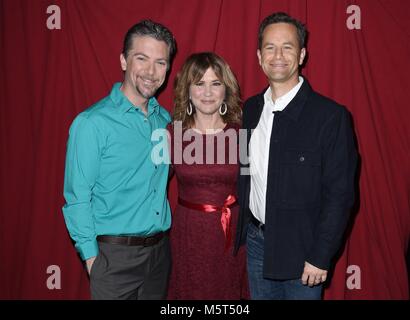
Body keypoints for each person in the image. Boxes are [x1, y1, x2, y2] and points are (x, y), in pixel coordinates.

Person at [234, 12, 358, 300]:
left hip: (304, 254)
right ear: (258, 55)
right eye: (269, 47)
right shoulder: (250, 110)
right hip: (256, 246)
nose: (278, 55)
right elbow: (245, 174)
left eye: (287, 47)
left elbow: (340, 195)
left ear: (301, 54)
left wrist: (320, 255)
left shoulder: (331, 117)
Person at [62, 20, 176, 300]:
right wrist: (93, 261)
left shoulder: (166, 121)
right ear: (124, 61)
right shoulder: (91, 123)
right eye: (142, 59)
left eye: (160, 62)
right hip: (114, 258)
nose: (151, 72)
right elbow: (77, 198)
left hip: (160, 255)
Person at [167, 52, 248, 299]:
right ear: (188, 90)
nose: (208, 92)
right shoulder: (171, 134)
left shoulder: (242, 133)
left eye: (216, 83)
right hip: (189, 234)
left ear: (226, 89)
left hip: (231, 234)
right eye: (199, 84)